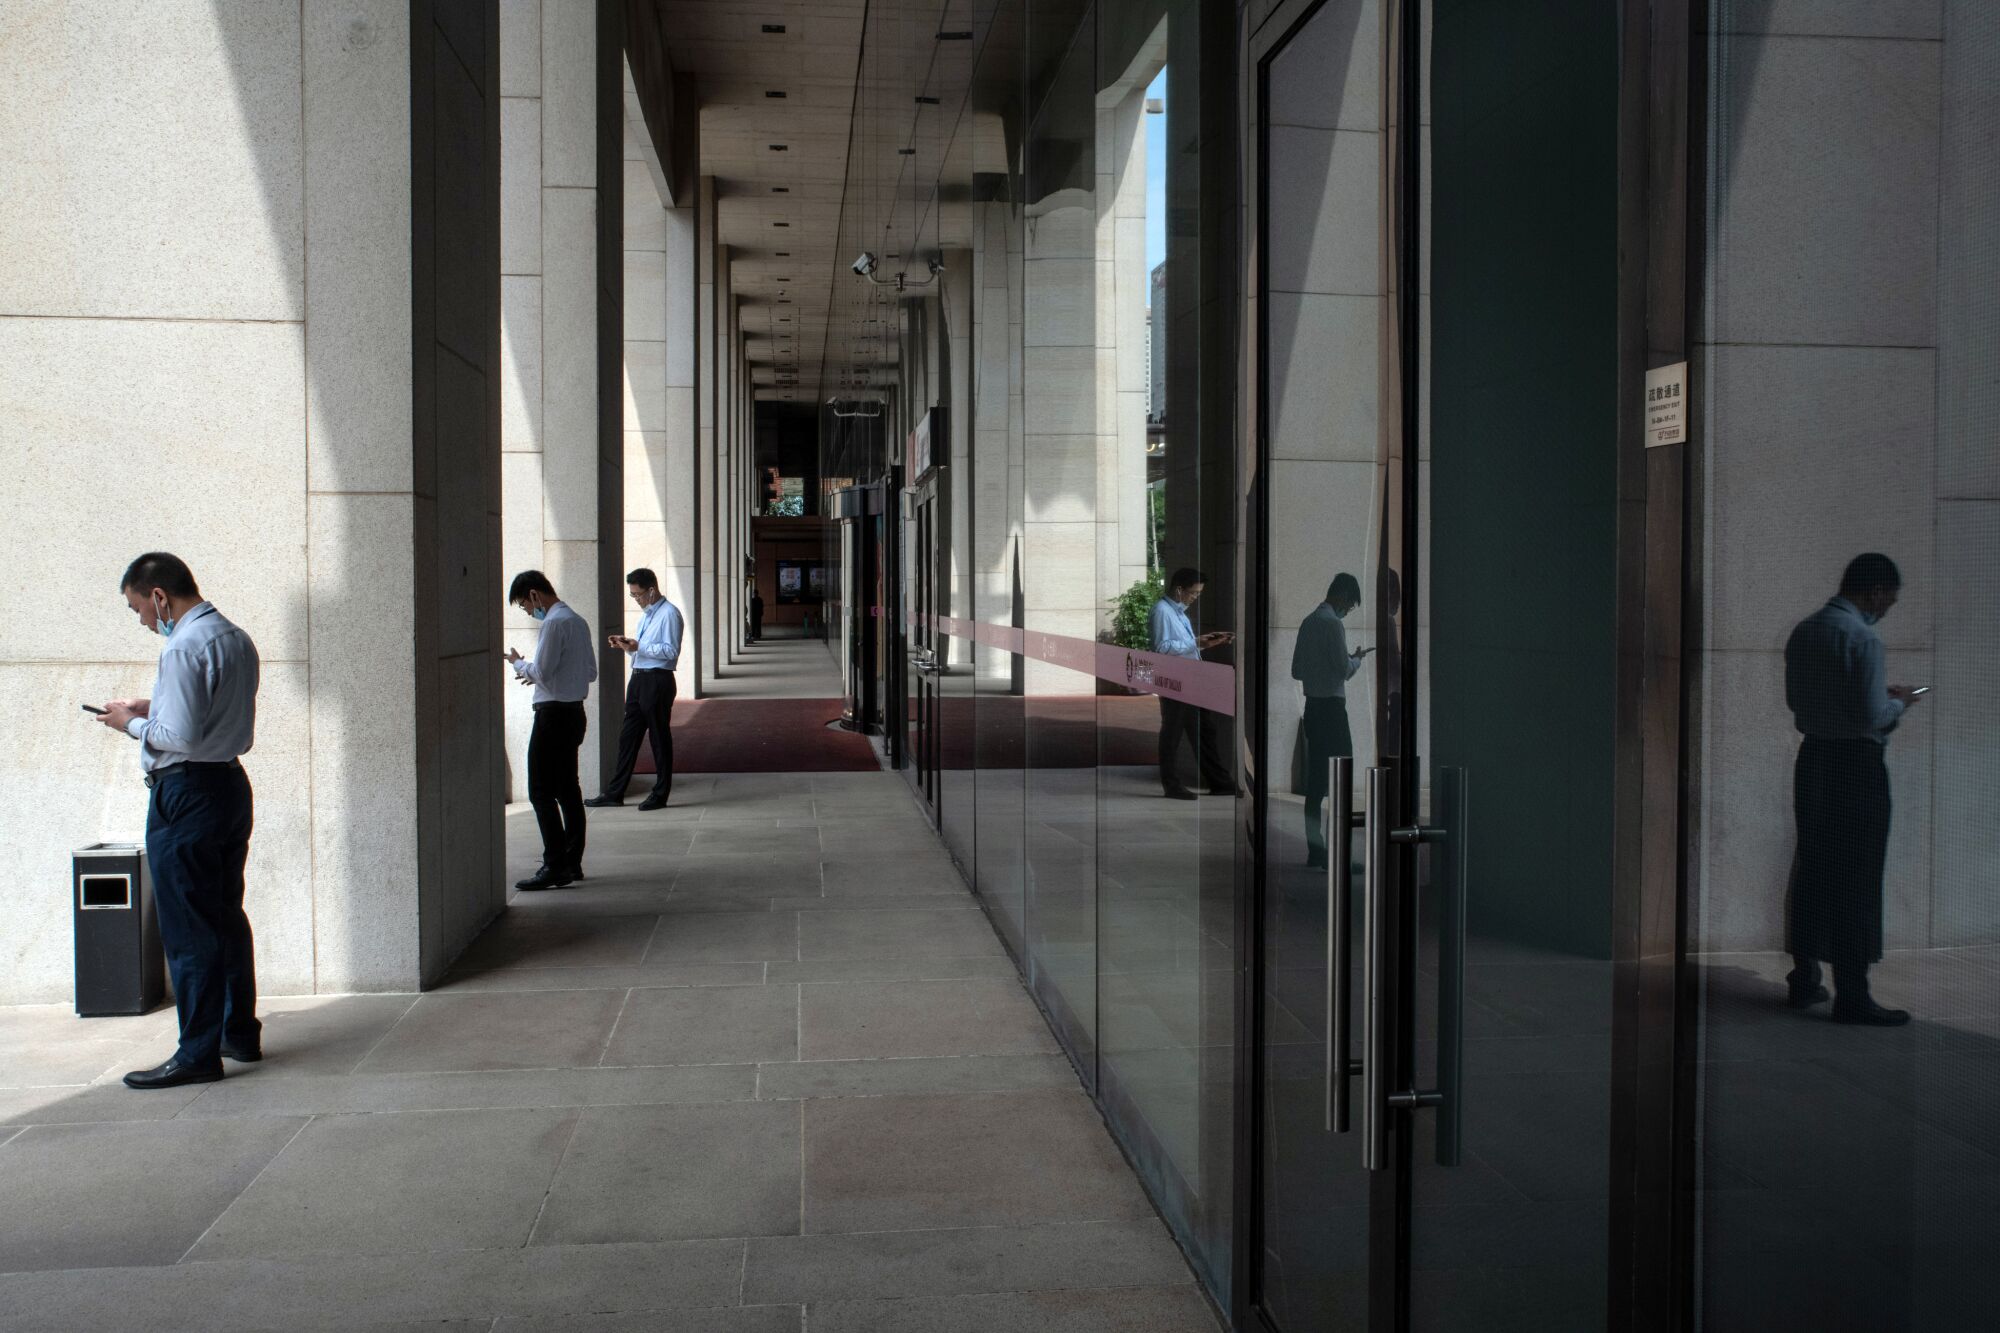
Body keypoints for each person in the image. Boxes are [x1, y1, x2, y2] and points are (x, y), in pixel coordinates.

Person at [93, 553, 262, 1090]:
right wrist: (153, 704)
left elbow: (181, 737)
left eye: (138, 608)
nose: (143, 620)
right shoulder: (233, 636)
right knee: (223, 915)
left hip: (186, 794)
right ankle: (238, 1032)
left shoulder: (183, 645)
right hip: (227, 785)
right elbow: (205, 716)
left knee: (189, 927)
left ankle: (197, 1053)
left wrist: (131, 723)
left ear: (160, 596)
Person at [1782, 553, 1923, 1025]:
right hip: (1856, 768)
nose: (1887, 609)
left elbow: (1796, 701)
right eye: (1889, 600)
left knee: (1814, 866)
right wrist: (1899, 704)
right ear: (1876, 592)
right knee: (1856, 876)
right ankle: (1853, 994)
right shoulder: (1864, 639)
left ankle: (1804, 979)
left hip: (1815, 759)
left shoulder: (1805, 630)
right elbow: (1869, 717)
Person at [505, 571, 596, 890]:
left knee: (541, 791)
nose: (529, 613)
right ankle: (572, 862)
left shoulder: (554, 623)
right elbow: (590, 672)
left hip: (552, 716)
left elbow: (542, 671)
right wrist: (545, 676)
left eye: (525, 606)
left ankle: (555, 863)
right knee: (569, 789)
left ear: (534, 595)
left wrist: (519, 665)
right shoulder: (579, 621)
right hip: (574, 713)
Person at [1292, 573, 1373, 869]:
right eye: (1350, 606)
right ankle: (1338, 854)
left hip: (1312, 708)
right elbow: (1342, 669)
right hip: (1333, 711)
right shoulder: (1332, 624)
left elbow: (1297, 670)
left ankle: (1316, 851)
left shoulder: (1308, 621)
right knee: (1340, 780)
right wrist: (1357, 660)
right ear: (1341, 597)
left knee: (1316, 785)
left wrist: (1323, 669)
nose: (1347, 611)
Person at [586, 569, 683, 812]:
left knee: (659, 738)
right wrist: (627, 645)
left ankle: (660, 794)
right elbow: (644, 649)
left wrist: (639, 645)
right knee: (628, 737)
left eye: (638, 595)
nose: (636, 600)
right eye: (632, 596)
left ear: (652, 590)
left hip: (658, 680)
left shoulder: (669, 614)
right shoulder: (646, 616)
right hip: (639, 679)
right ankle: (615, 792)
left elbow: (670, 652)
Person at [1150, 566, 1239, 800]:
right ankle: (1172, 785)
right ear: (1179, 590)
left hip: (1189, 680)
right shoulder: (1162, 611)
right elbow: (1162, 648)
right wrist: (1195, 643)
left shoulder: (1179, 612)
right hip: (1175, 681)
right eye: (1193, 593)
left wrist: (1203, 643)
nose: (1195, 597)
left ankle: (1220, 782)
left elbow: (1184, 646)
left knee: (1204, 730)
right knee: (1173, 733)